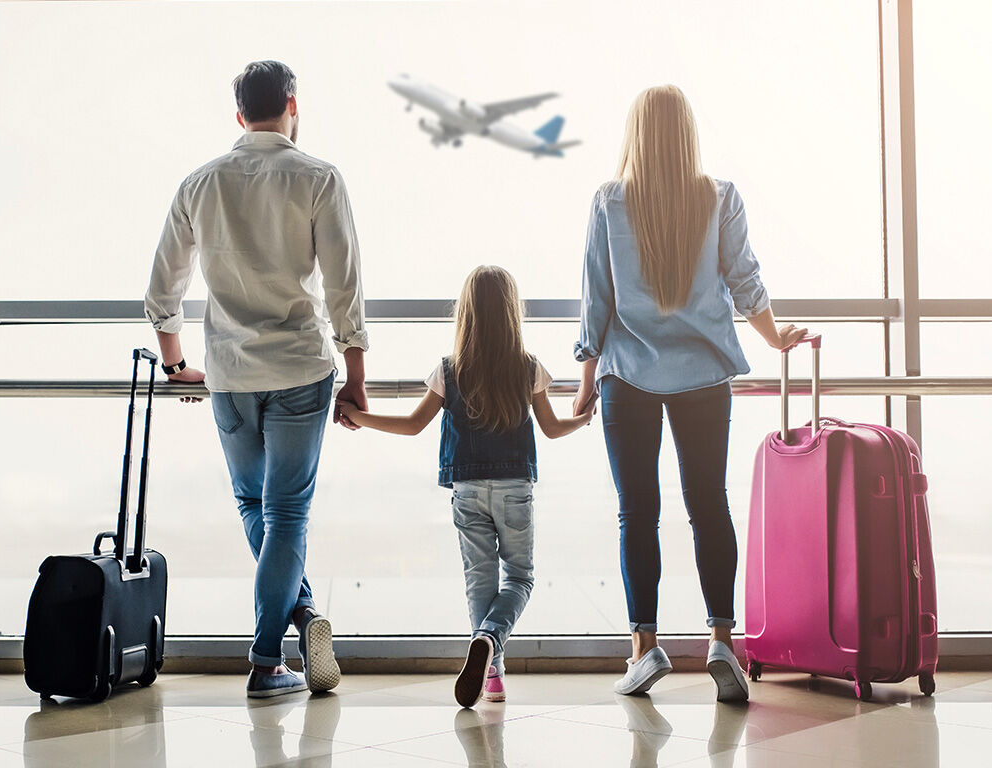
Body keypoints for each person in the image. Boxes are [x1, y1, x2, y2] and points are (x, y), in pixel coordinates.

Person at [571, 85, 807, 702]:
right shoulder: (719, 197)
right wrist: (775, 336)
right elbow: (745, 278)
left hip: (628, 376)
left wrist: (585, 378)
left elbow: (596, 302)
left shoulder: (608, 202)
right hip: (703, 374)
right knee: (709, 504)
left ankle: (645, 651)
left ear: (637, 134)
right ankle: (722, 642)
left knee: (637, 513)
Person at [144, 60, 369, 699]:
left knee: (255, 505)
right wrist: (356, 376)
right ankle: (270, 653)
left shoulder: (200, 184)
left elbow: (163, 292)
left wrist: (174, 363)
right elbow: (343, 287)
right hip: (302, 367)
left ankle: (291, 626)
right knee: (288, 511)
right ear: (293, 105)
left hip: (230, 375)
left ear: (239, 114)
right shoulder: (320, 178)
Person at [337, 265, 595, 708]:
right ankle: (490, 643)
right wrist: (585, 417)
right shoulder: (528, 366)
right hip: (515, 488)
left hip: (467, 488)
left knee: (480, 582)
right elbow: (552, 429)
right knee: (520, 577)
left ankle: (491, 674)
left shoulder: (450, 369)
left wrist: (358, 416)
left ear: (467, 314)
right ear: (512, 313)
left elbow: (414, 425)